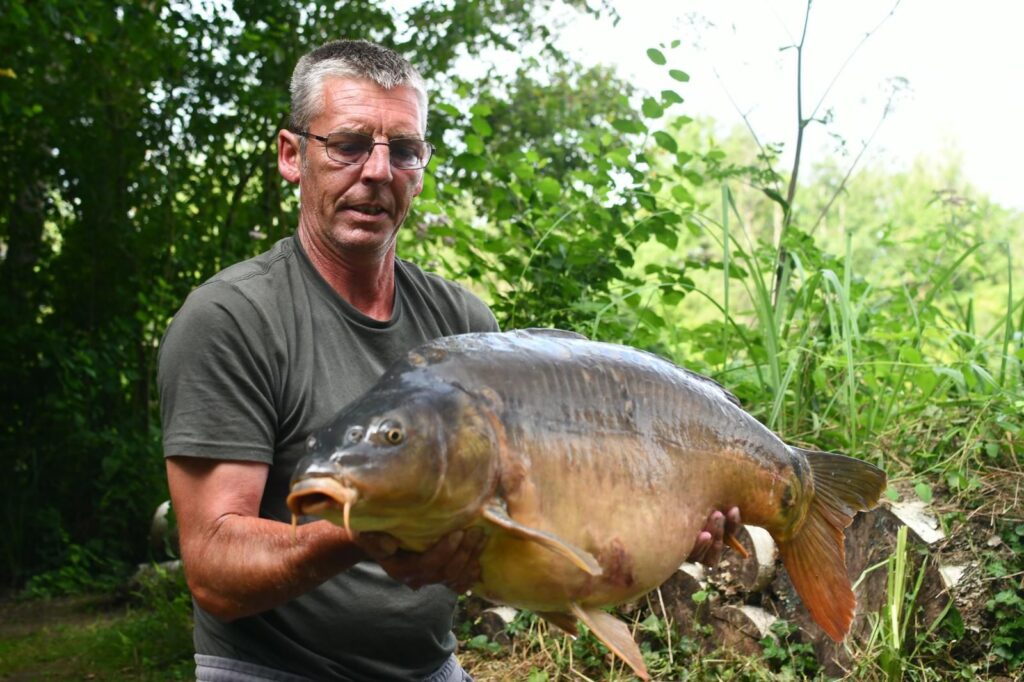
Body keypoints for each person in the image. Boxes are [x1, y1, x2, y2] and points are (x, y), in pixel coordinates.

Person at [158, 39, 741, 682]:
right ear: (292, 155)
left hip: (432, 667)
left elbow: (522, 528)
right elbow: (215, 568)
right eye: (348, 145)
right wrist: (367, 532)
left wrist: (665, 519)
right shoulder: (231, 318)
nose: (377, 171)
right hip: (273, 670)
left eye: (404, 150)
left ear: (420, 165)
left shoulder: (464, 327)